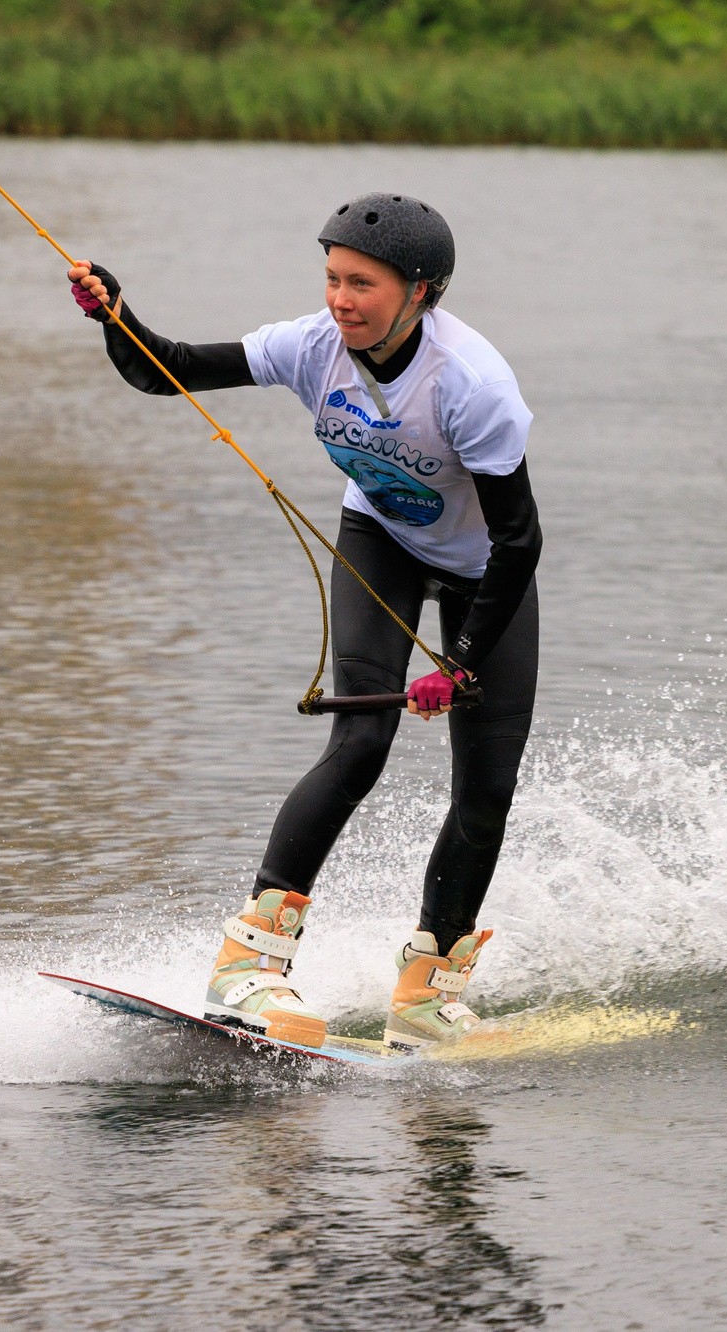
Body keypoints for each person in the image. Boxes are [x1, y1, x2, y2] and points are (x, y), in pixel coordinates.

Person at [67, 195, 541, 1053]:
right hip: (382, 545)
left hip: (486, 575)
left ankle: (431, 992)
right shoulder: (311, 347)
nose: (340, 299)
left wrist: (462, 663)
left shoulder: (474, 385)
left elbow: (520, 537)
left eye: (362, 283)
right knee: (359, 744)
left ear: (421, 293)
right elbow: (159, 368)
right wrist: (117, 313)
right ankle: (249, 966)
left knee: (486, 792)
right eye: (331, 278)